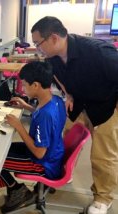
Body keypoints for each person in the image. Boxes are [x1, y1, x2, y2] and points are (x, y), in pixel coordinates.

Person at [31, 16, 118, 214]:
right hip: (80, 105)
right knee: (66, 140)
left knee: (103, 156)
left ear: (53, 38)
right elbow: (59, 78)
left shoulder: (98, 52)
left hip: (107, 107)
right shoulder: (52, 58)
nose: (38, 48)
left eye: (38, 43)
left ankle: (103, 199)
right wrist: (67, 94)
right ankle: (65, 171)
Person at [0, 61, 67, 213]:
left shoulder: (45, 115)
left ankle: (17, 189)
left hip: (42, 163)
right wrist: (26, 106)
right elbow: (44, 117)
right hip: (54, 154)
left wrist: (19, 126)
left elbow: (39, 152)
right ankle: (13, 188)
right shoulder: (56, 101)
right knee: (0, 149)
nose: (22, 88)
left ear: (35, 85)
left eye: (24, 85)